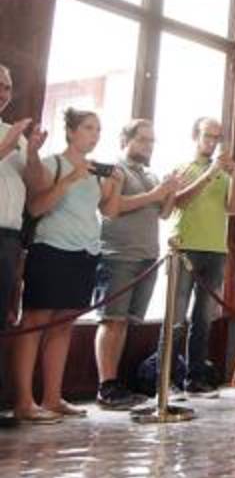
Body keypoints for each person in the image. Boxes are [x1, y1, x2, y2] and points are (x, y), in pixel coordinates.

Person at [13, 108, 123, 423]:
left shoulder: (95, 173)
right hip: (51, 249)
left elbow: (111, 212)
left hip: (85, 253)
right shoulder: (54, 163)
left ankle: (51, 397)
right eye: (89, 127)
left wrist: (115, 184)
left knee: (63, 326)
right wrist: (70, 178)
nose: (95, 134)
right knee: (34, 322)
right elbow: (36, 206)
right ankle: (24, 400)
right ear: (72, 132)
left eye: (98, 129)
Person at [94, 120, 182, 410]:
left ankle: (115, 384)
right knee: (112, 319)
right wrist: (155, 194)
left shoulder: (149, 173)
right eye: (143, 139)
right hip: (118, 254)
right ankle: (106, 386)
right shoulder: (113, 167)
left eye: (152, 141)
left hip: (146, 256)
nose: (148, 146)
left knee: (126, 323)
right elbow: (110, 208)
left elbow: (165, 213)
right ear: (126, 139)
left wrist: (169, 190)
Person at [166, 117, 235, 398]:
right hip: (185, 248)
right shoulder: (183, 167)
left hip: (216, 250)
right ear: (195, 136)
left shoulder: (223, 173)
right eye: (208, 136)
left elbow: (233, 209)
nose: (212, 142)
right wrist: (210, 173)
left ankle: (194, 377)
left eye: (217, 137)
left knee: (203, 318)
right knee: (176, 318)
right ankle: (166, 380)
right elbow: (180, 201)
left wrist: (234, 176)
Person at [0, 64, 47, 427]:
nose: (3, 92)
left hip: (9, 236)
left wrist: (30, 151)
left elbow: (34, 186)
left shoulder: (13, 134)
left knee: (3, 317)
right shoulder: (7, 136)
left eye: (7, 86)